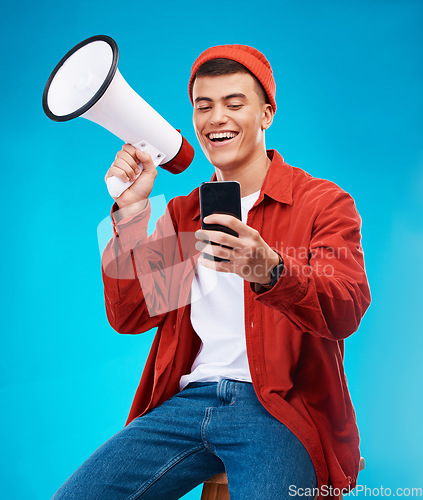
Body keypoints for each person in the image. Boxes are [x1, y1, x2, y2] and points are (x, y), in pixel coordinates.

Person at [53, 45, 371, 499]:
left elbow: (346, 309)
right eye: (204, 106)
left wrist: (272, 270)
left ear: (266, 115)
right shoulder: (185, 213)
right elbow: (131, 315)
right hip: (187, 404)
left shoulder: (322, 202)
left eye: (234, 104)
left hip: (276, 408)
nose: (216, 118)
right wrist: (133, 209)